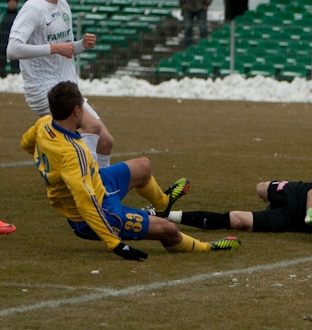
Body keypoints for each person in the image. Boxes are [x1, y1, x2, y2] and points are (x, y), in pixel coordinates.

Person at [20, 81, 241, 260]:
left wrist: (49, 164)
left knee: (143, 166)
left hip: (99, 183)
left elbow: (26, 144)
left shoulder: (44, 124)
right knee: (168, 231)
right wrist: (115, 244)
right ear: (77, 110)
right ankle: (207, 248)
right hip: (100, 213)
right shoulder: (73, 153)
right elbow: (87, 202)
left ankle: (163, 205)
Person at [7, 0, 114, 168]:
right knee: (91, 127)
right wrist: (54, 48)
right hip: (43, 89)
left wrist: (81, 44)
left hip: (68, 87)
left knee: (106, 142)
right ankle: (91, 185)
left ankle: (101, 185)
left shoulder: (63, 6)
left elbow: (65, 49)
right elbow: (12, 49)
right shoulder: (33, 9)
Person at [167, 165, 312, 248]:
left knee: (238, 221)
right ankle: (271, 205)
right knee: (261, 188)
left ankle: (169, 216)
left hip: (293, 221)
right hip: (300, 195)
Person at [1, 0, 21, 77]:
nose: (12, 3)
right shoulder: (3, 16)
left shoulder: (20, 16)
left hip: (16, 42)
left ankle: (15, 76)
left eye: (14, 2)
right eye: (10, 2)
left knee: (16, 63)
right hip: (3, 42)